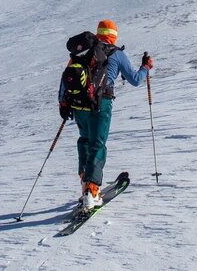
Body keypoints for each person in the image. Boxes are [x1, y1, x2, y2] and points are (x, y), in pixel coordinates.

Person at [58, 19, 153, 210]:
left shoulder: (81, 52)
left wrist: (63, 102)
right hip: (101, 105)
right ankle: (92, 192)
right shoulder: (116, 54)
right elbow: (135, 80)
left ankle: (85, 186)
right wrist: (146, 67)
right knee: (97, 145)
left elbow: (65, 78)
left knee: (84, 141)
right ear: (113, 35)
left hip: (79, 106)